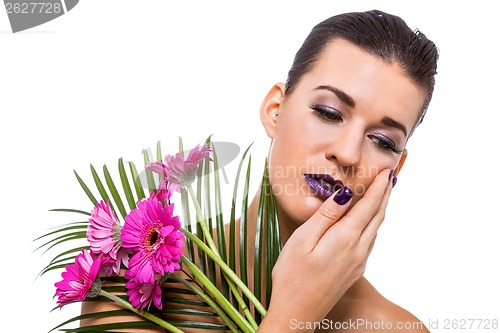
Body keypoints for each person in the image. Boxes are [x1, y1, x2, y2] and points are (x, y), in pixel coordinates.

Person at [81, 8, 438, 333]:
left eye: (382, 141)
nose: (347, 154)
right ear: (275, 110)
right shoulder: (136, 287)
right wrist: (296, 311)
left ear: (397, 168)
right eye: (329, 113)